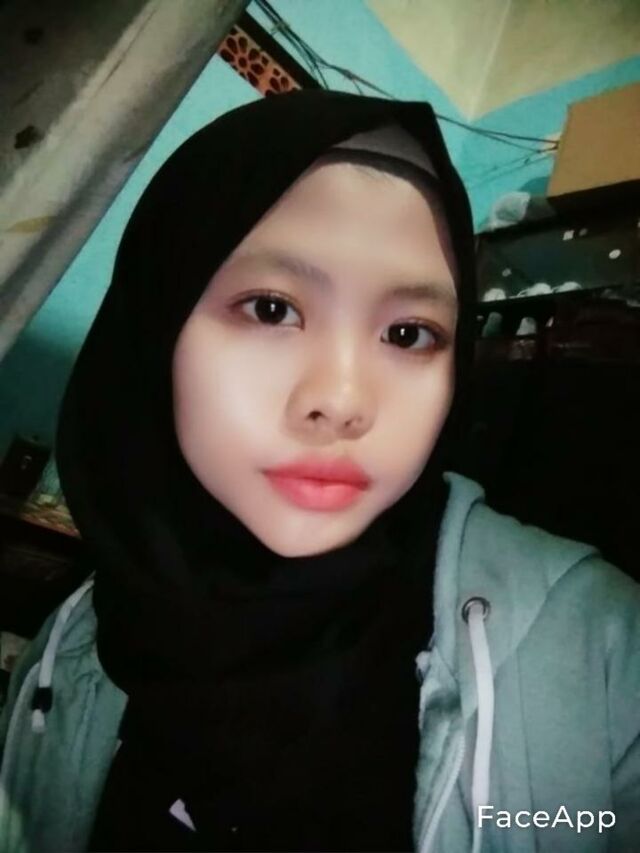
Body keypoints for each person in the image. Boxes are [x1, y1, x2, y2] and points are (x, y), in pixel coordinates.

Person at [0, 89, 639, 853]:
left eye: (409, 333)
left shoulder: (600, 646)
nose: (341, 401)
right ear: (155, 327)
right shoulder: (78, 633)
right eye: (272, 308)